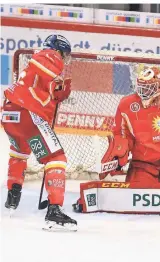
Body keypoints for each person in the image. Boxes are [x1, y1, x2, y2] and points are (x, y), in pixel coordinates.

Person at [1, 35, 77, 231]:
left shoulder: (37, 66)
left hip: (10, 114)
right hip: (26, 113)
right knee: (56, 158)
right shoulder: (48, 55)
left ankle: (13, 194)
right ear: (58, 50)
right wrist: (57, 80)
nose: (64, 59)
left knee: (20, 151)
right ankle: (54, 209)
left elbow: (40, 82)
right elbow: (42, 64)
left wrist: (56, 90)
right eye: (64, 54)